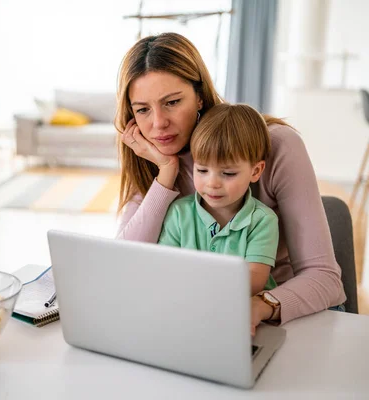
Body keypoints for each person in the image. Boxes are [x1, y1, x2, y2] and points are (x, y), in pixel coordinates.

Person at [115, 32, 345, 335]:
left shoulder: (277, 146)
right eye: (142, 109)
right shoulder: (150, 157)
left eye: (172, 102)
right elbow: (125, 266)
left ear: (199, 95)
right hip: (199, 316)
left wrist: (262, 305)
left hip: (283, 315)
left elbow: (324, 278)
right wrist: (166, 172)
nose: (158, 124)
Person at [157, 103, 278, 297]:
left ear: (255, 171)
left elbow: (255, 280)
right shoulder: (179, 213)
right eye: (202, 170)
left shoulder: (262, 220)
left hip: (247, 312)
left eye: (228, 173)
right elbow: (165, 267)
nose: (212, 183)